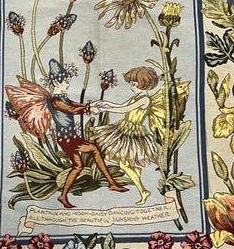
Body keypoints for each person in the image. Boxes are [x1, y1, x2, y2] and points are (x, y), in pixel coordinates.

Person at [45, 59, 128, 208]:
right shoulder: (55, 101)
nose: (68, 85)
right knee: (93, 151)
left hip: (71, 137)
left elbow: (76, 105)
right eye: (65, 82)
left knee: (78, 166)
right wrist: (88, 109)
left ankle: (63, 196)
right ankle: (111, 183)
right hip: (66, 138)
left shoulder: (63, 97)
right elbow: (71, 110)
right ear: (57, 82)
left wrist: (92, 105)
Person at [91, 66, 163, 205]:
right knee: (108, 155)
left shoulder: (145, 99)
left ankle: (143, 191)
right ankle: (135, 171)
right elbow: (121, 105)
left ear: (143, 84)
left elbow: (124, 109)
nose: (131, 87)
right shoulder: (137, 97)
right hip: (124, 129)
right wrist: (104, 103)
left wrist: (104, 108)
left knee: (123, 164)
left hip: (133, 134)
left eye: (133, 84)